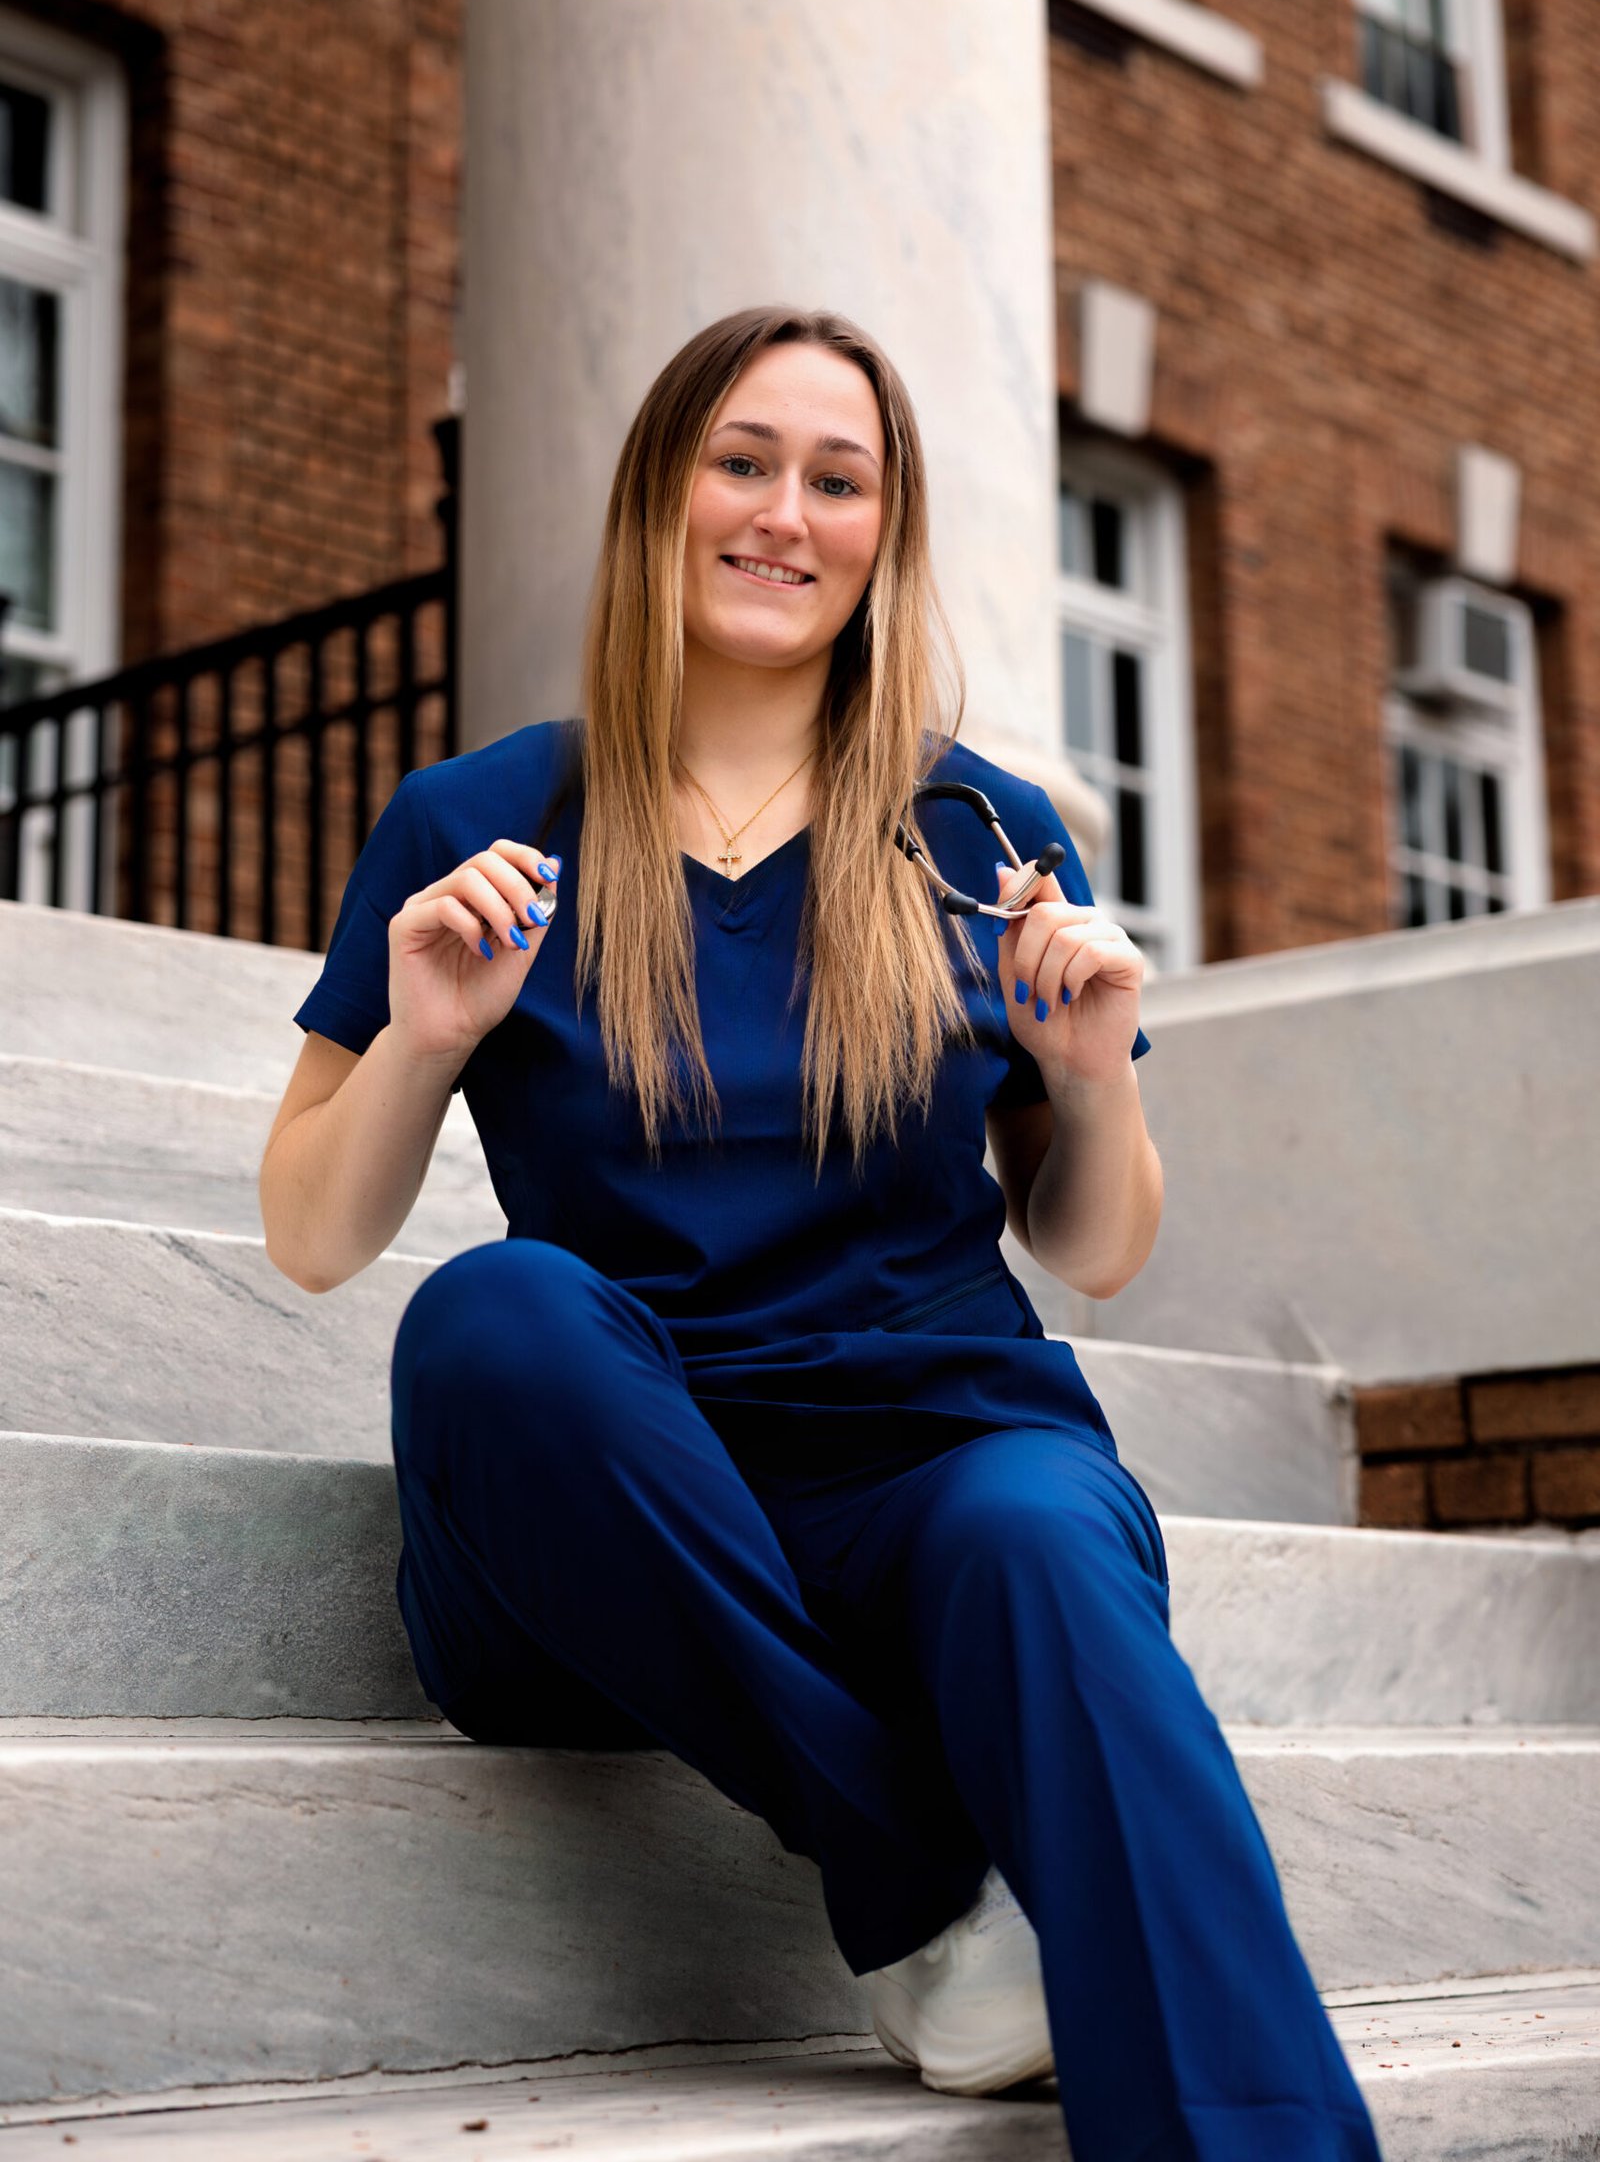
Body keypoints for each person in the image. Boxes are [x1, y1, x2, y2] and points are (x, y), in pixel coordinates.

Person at [260, 306, 1382, 2161]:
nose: (787, 513)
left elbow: (1092, 1250)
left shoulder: (975, 829)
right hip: (611, 1522)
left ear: (884, 529)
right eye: (743, 462)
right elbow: (313, 1234)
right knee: (496, 1315)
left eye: (838, 479)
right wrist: (427, 1039)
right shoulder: (478, 821)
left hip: (928, 1474)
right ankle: (926, 1891)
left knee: (1035, 1537)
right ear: (659, 497)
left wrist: (1094, 1078)